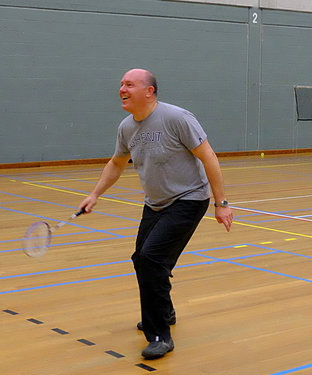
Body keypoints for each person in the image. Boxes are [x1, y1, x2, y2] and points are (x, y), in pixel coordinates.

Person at [79, 68, 233, 359]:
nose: (121, 89)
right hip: (156, 203)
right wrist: (94, 194)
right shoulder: (127, 127)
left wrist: (221, 203)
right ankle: (163, 310)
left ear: (149, 91)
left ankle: (160, 334)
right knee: (143, 259)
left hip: (189, 198)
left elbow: (208, 156)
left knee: (151, 259)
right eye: (121, 84)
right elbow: (116, 162)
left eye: (129, 84)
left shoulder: (177, 118)